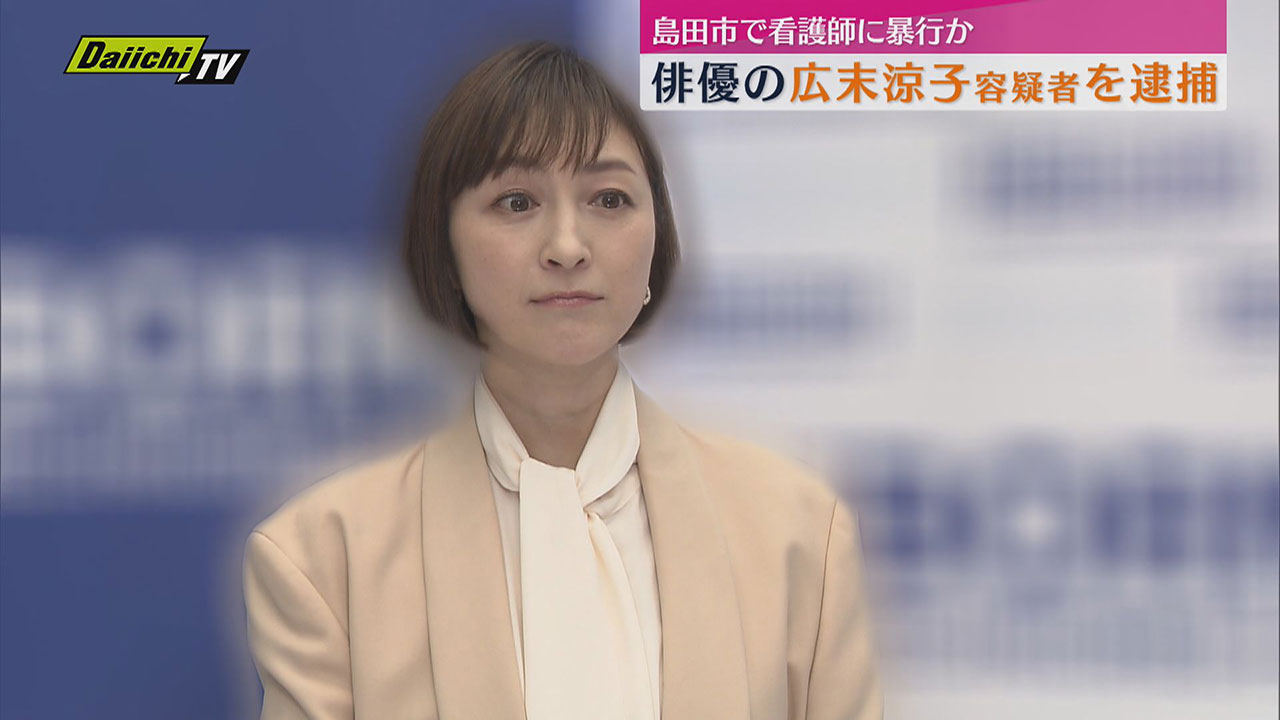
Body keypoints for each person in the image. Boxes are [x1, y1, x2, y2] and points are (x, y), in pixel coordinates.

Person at [243, 40, 883, 720]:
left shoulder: (797, 535)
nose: (568, 247)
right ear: (445, 246)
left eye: (609, 198)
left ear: (658, 237)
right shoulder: (324, 557)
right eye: (517, 201)